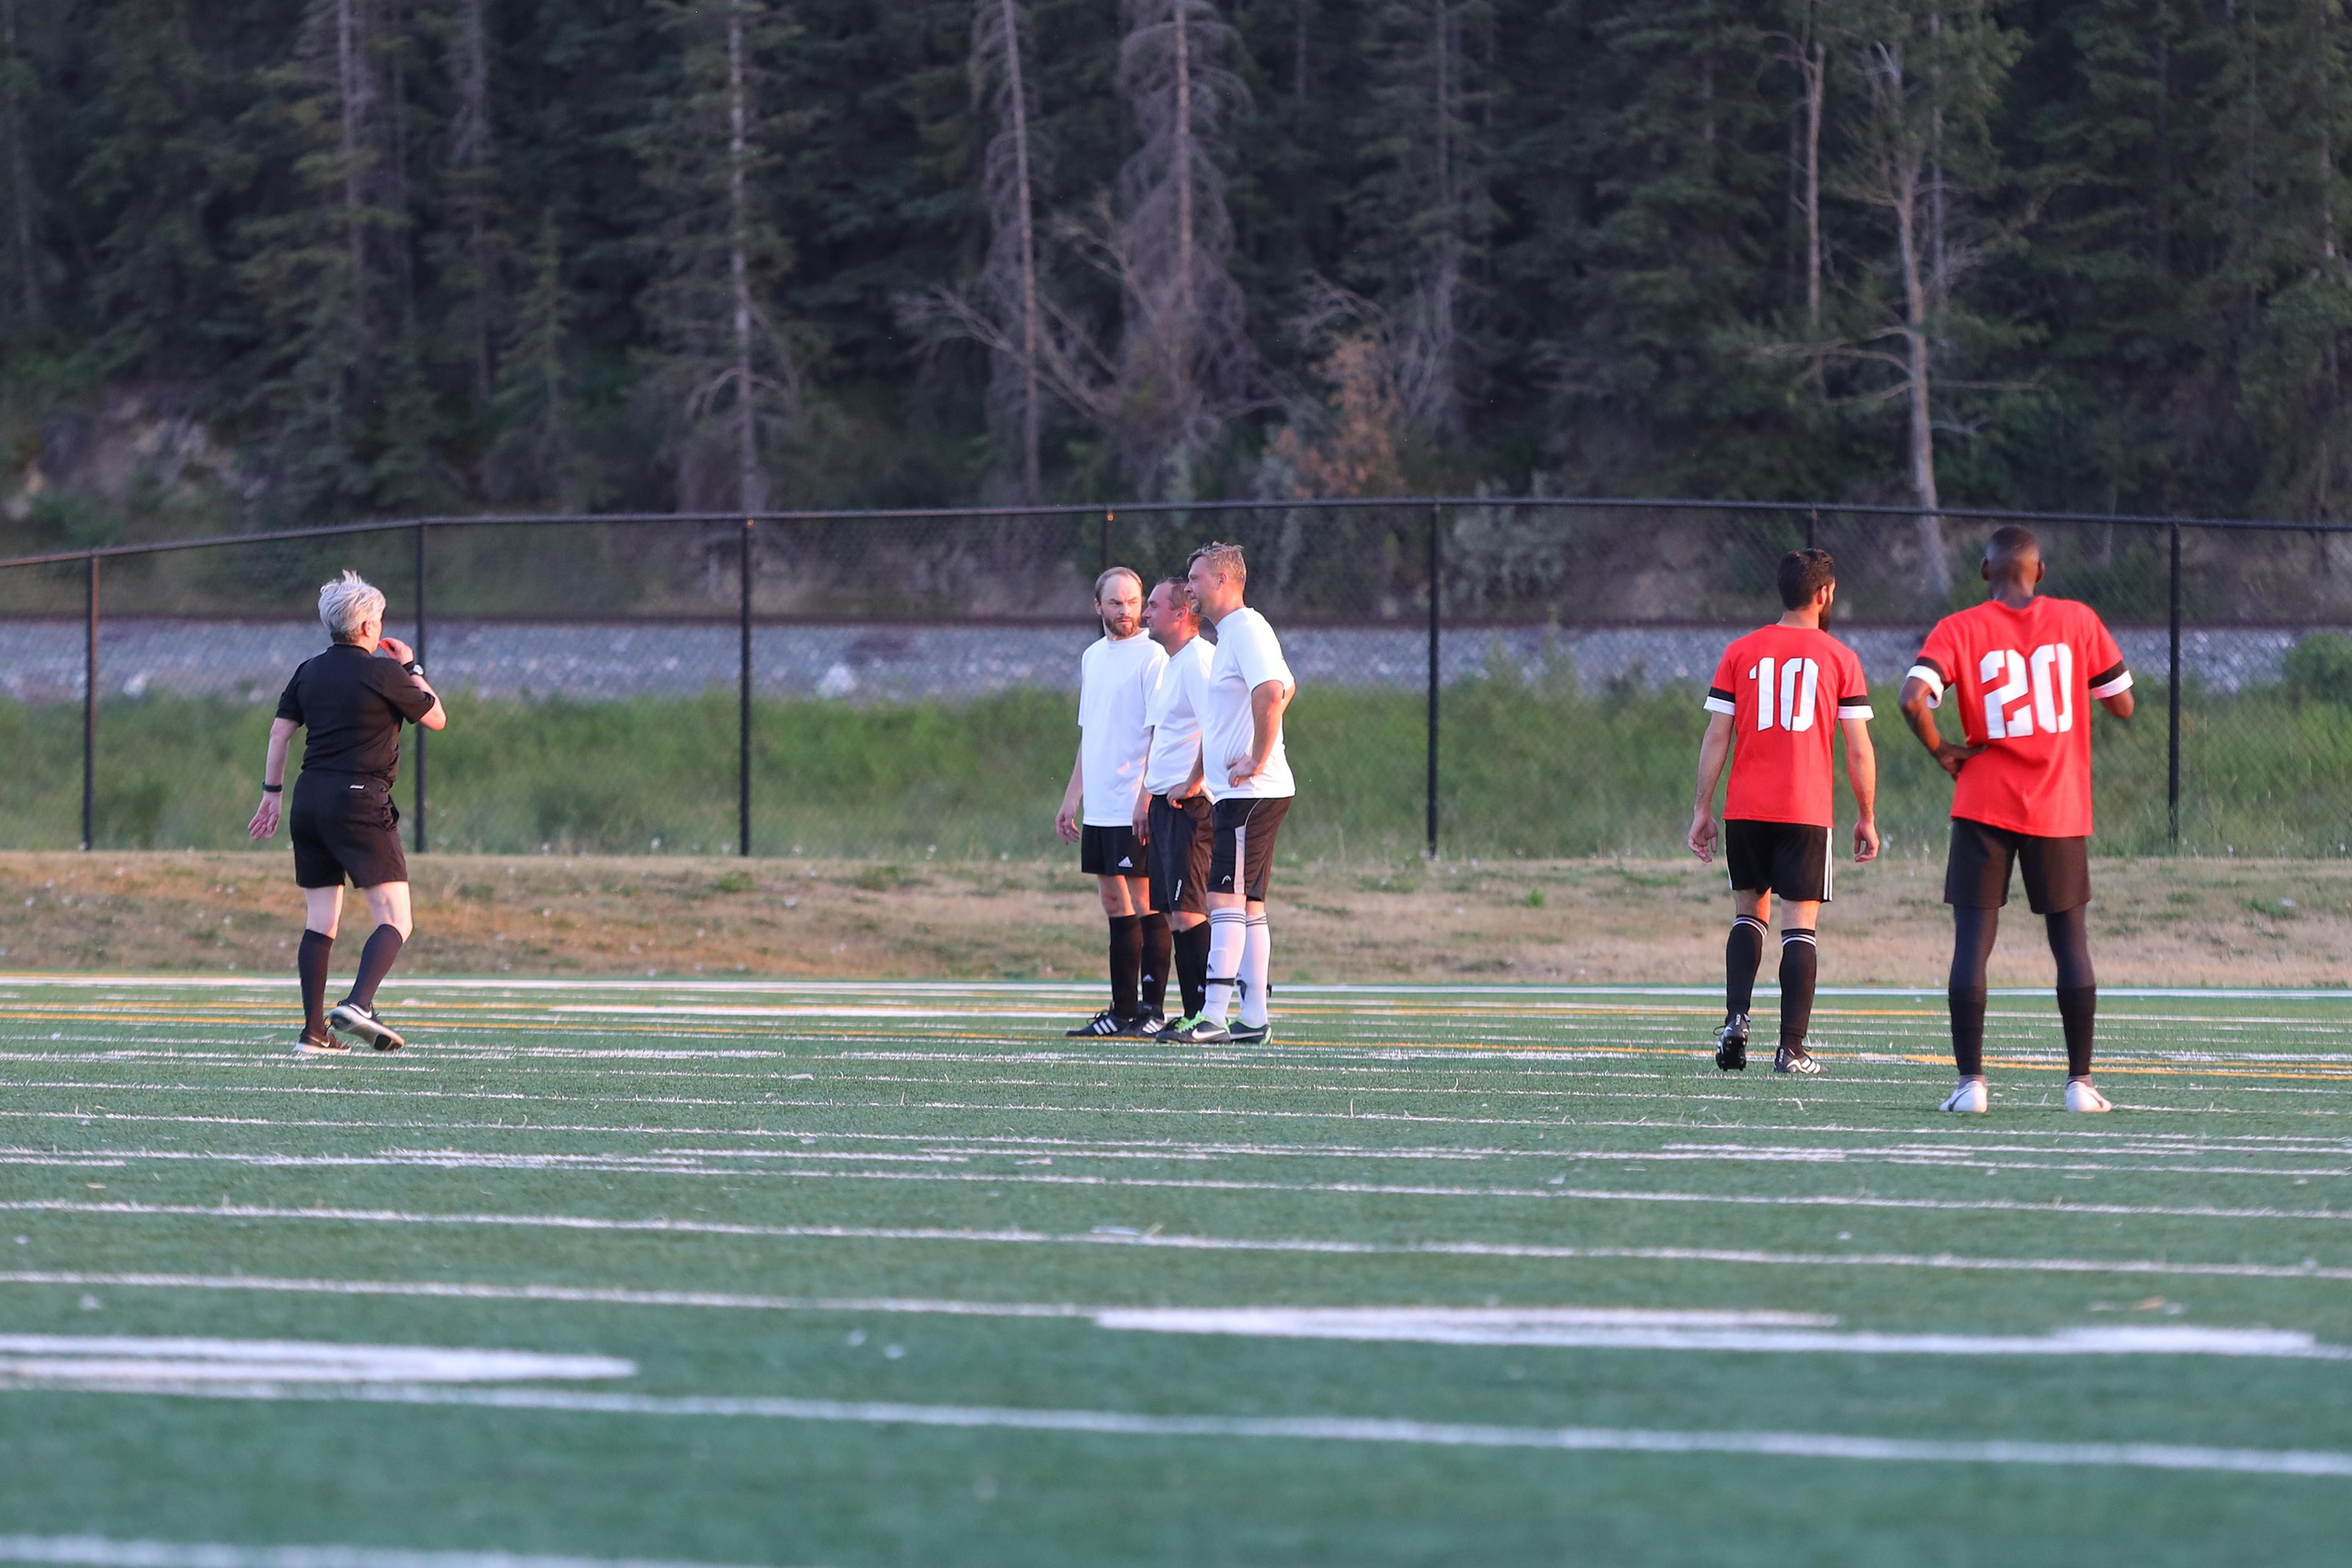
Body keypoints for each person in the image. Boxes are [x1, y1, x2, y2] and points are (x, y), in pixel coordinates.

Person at [1897, 525, 2134, 1115]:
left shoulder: (1959, 628)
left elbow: (1910, 698)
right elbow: (2123, 703)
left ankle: (1970, 1084)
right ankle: (2080, 1083)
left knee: (1972, 944)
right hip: (2057, 804)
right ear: (2041, 571)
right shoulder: (2078, 620)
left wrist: (1941, 748)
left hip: (1982, 802)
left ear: (1984, 572)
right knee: (2070, 944)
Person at [1689, 548, 1880, 1076]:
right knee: (1800, 926)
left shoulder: (1740, 652)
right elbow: (1858, 747)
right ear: (1825, 594)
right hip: (1805, 809)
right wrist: (1867, 815)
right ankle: (1791, 1048)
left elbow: (1716, 735)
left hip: (1745, 807)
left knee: (1749, 915)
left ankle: (1735, 1020)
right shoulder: (1840, 657)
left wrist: (1702, 808)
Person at [248, 570, 447, 1055]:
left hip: (309, 799)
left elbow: (279, 735)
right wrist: (413, 667)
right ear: (365, 628)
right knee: (397, 919)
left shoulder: (308, 670)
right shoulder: (385, 673)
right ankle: (359, 1003)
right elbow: (437, 718)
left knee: (321, 921)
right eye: (378, 620)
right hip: (359, 799)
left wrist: (272, 792)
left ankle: (314, 1034)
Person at [1165, 542, 1295, 1045]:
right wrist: (1206, 772)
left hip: (1251, 793)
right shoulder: (1236, 635)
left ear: (1221, 580)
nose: (1189, 587)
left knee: (1224, 897)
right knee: (1249, 903)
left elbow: (1272, 691)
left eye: (1195, 578)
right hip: (1240, 792)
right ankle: (1254, 1018)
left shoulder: (1247, 628)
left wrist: (1259, 756)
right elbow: (1286, 687)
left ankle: (1214, 1015)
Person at [1056, 567, 1169, 1036]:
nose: (1127, 612)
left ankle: (1152, 1012)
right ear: (1097, 606)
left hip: (1134, 803)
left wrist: (1146, 797)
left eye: (1134, 601)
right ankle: (1121, 1012)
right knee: (1112, 900)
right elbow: (1091, 732)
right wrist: (1071, 798)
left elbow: (1163, 733)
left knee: (1145, 900)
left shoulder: (1154, 657)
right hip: (1100, 805)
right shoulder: (1092, 657)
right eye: (1116, 603)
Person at [1131, 576, 1216, 1031]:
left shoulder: (1201, 661)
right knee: (1170, 909)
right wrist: (1148, 796)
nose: (1146, 614)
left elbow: (1218, 727)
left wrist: (1192, 782)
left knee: (1189, 910)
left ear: (1181, 612)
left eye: (1153, 606)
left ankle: (1202, 1013)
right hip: (1164, 806)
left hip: (1189, 808)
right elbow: (1165, 737)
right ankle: (1190, 1013)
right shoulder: (1173, 664)